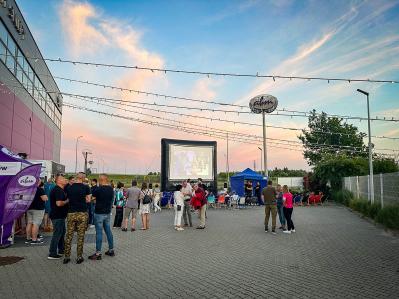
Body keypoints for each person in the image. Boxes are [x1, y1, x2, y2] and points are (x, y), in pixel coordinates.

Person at [63, 173, 91, 264]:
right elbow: (88, 200)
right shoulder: (86, 187)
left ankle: (67, 257)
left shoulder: (69, 187)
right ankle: (79, 257)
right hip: (82, 213)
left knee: (69, 235)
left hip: (71, 213)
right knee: (80, 235)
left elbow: (67, 198)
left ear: (76, 177)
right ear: (83, 178)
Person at [89, 174, 115, 260]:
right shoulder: (111, 189)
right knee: (108, 231)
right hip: (107, 213)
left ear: (100, 180)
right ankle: (111, 250)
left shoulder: (98, 189)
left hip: (99, 213)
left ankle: (98, 253)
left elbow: (91, 199)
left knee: (99, 233)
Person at [48, 174, 69, 259]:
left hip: (60, 216)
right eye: (63, 179)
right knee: (57, 233)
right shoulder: (58, 190)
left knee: (62, 232)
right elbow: (59, 203)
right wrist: (67, 201)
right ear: (58, 181)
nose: (65, 180)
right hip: (57, 216)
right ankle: (52, 253)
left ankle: (61, 249)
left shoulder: (61, 189)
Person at [26, 180, 48, 244]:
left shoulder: (29, 189)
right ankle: (34, 240)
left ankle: (28, 238)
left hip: (29, 208)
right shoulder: (40, 189)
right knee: (36, 224)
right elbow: (44, 198)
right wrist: (46, 197)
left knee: (29, 223)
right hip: (38, 209)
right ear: (38, 182)